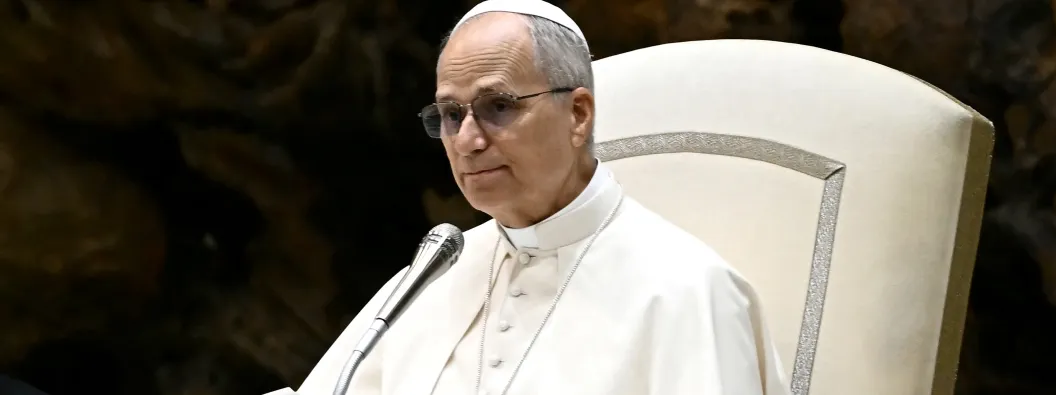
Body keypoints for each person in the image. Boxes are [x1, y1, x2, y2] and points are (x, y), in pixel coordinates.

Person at [297, 0, 791, 394]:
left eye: (498, 106)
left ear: (578, 114)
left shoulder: (686, 291)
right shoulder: (436, 275)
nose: (468, 140)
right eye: (451, 114)